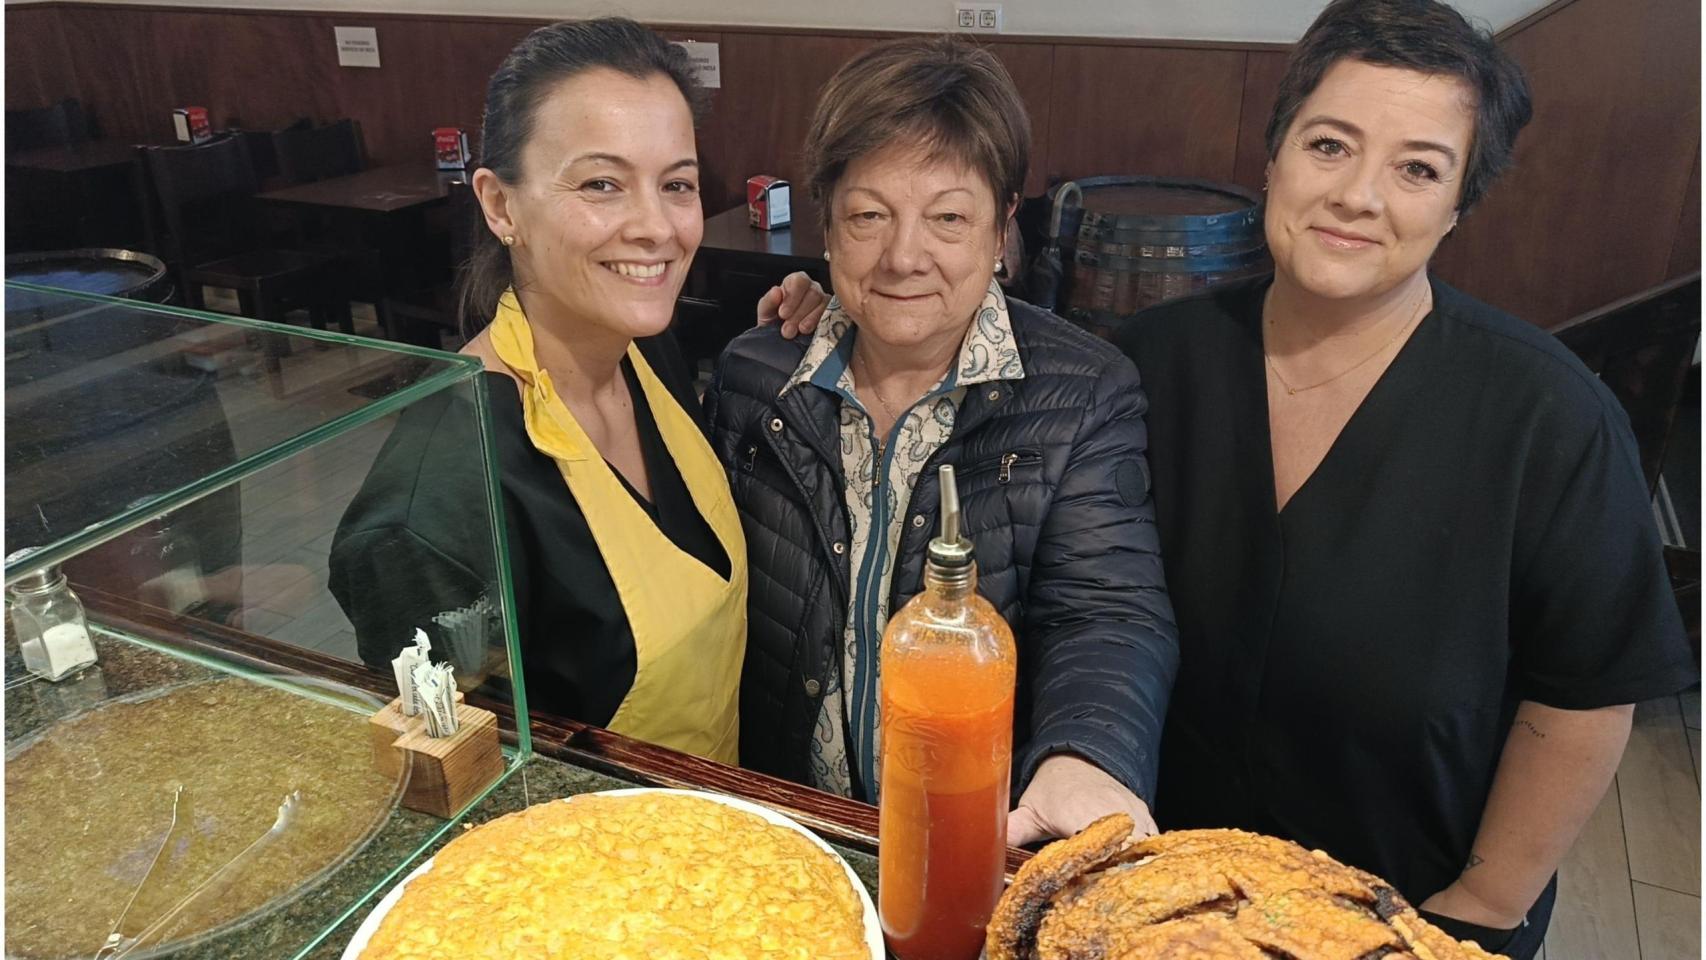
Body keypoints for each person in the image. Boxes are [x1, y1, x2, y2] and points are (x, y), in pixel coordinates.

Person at [1109, 2, 1694, 956]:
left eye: (1418, 168)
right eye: (1329, 145)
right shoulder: (1149, 362)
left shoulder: (1545, 415)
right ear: (1274, 156)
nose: (1357, 196)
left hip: (1410, 915)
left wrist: (1481, 910)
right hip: (1160, 907)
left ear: (1460, 203)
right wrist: (837, 311)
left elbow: (1586, 696)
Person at [706, 35, 1180, 846]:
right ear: (826, 223)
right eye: (868, 215)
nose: (902, 256)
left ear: (1001, 232)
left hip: (975, 832)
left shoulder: (1085, 392)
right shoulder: (758, 376)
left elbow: (1108, 610)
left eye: (949, 217)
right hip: (786, 827)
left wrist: (1083, 755)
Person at [329, 19, 832, 763]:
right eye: (602, 184)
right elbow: (460, 792)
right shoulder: (437, 507)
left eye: (678, 185)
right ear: (501, 206)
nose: (656, 227)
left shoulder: (645, 350)